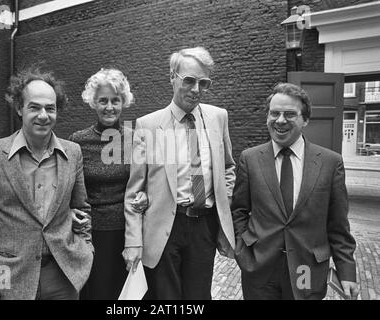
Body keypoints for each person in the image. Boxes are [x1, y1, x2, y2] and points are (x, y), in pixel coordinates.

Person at [0, 67, 94, 300]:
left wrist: (85, 250)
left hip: (63, 275)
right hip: (11, 276)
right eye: (34, 107)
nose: (43, 115)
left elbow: (82, 208)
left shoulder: (73, 152)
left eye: (50, 108)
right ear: (19, 108)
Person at [123, 47, 236, 300]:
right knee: (166, 299)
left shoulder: (219, 117)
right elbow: (134, 190)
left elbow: (228, 167)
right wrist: (133, 241)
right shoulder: (147, 125)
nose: (196, 89)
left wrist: (225, 199)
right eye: (189, 80)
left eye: (203, 83)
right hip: (165, 225)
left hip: (204, 225)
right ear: (172, 77)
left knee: (198, 298)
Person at [231, 82, 359, 300]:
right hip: (260, 269)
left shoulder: (330, 163)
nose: (280, 120)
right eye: (274, 113)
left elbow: (338, 224)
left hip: (306, 269)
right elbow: (239, 211)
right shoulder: (249, 159)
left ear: (305, 120)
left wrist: (346, 271)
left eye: (290, 114)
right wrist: (244, 251)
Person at [69, 68, 147, 300]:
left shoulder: (136, 138)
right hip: (91, 234)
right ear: (93, 103)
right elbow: (70, 189)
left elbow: (148, 182)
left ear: (124, 101)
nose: (109, 107)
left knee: (127, 295)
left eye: (115, 100)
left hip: (128, 232)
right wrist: (68, 210)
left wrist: (147, 196)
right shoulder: (78, 141)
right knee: (96, 293)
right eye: (103, 100)